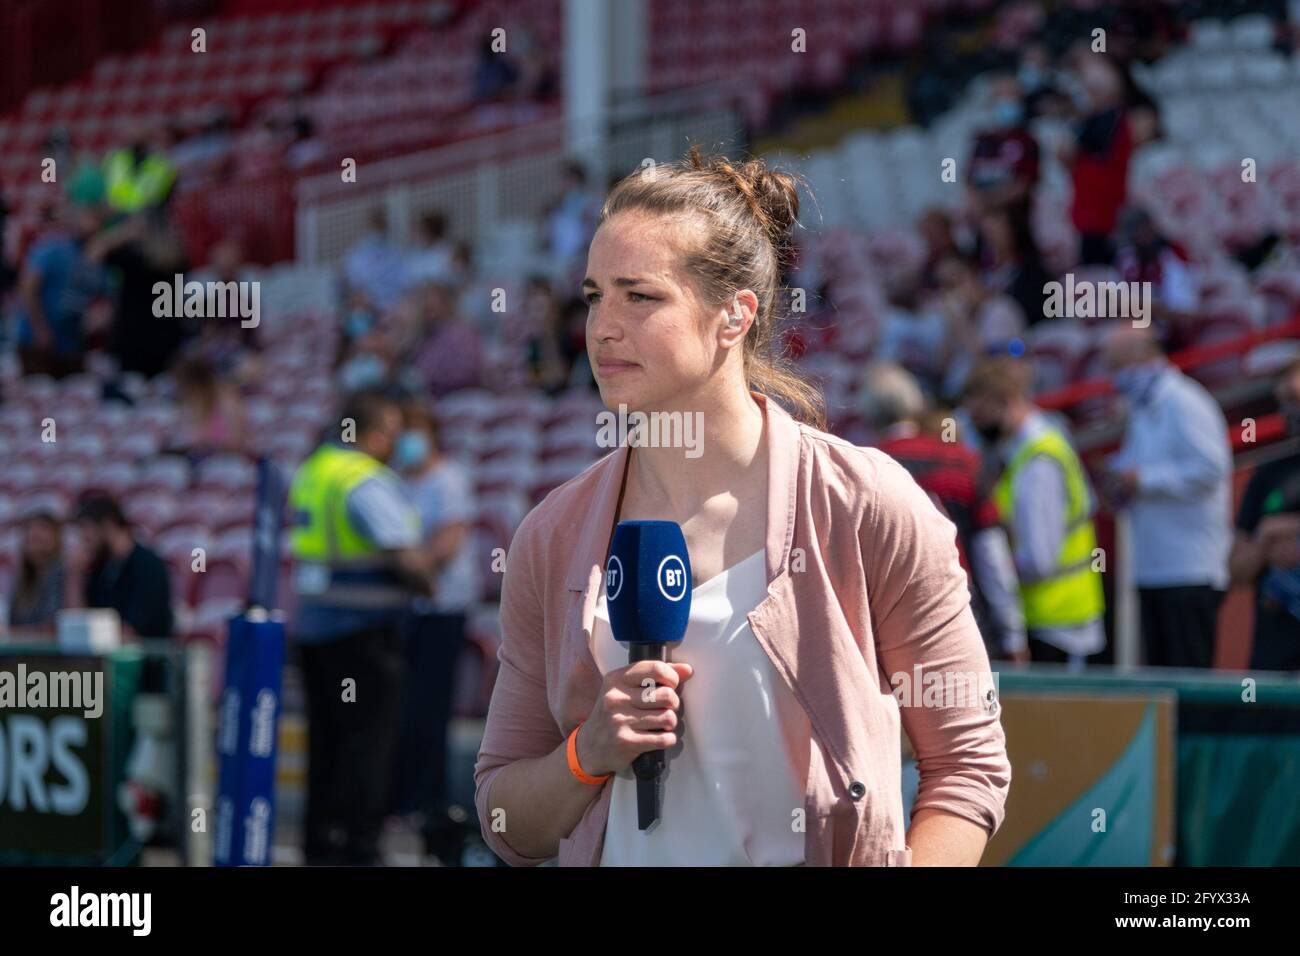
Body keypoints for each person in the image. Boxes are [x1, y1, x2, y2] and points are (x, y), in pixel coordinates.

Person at [474, 148, 1010, 867]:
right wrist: (586, 754)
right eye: (594, 294)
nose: (601, 326)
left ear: (734, 315)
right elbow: (505, 817)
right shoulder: (551, 535)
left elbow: (966, 768)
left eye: (640, 296)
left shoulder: (866, 504)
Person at [288, 388, 438, 865]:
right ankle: (359, 849)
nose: (397, 442)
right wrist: (427, 578)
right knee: (367, 746)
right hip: (362, 636)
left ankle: (321, 845)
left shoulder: (314, 470)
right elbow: (402, 552)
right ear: (372, 434)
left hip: (314, 631)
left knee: (326, 743)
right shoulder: (363, 479)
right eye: (392, 432)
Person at [859, 362, 1027, 664]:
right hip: (959, 607)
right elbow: (992, 555)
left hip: (889, 618)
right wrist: (1012, 632)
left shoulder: (860, 469)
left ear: (869, 414)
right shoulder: (963, 461)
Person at [961, 357, 1106, 667]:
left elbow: (1039, 559)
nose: (979, 428)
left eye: (981, 416)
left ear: (1006, 402)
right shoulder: (1023, 454)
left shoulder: (1039, 463)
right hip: (1048, 621)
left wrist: (991, 570)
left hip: (1059, 626)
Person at [1101, 328, 1231, 668]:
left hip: (1189, 568)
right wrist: (1120, 479)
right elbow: (1135, 466)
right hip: (1154, 566)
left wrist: (1142, 479)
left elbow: (1211, 467)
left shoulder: (1185, 401)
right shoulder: (1143, 408)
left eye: (1117, 365)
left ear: (1143, 356)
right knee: (1163, 681)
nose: (1113, 375)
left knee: (1189, 682)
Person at [387, 401, 479, 860]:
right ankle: (401, 799)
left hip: (441, 609)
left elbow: (448, 539)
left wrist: (411, 566)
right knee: (402, 708)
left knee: (428, 708)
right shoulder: (401, 482)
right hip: (408, 608)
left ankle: (426, 801)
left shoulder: (449, 479)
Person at [1229, 356, 1300, 672]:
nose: (1290, 410)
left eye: (1296, 399)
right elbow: (1236, 570)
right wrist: (1265, 540)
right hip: (1274, 656)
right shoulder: (1268, 471)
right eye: (1284, 401)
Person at [13, 199, 108, 378]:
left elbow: (101, 298)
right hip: (39, 344)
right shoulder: (51, 249)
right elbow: (27, 289)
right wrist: (40, 329)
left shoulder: (96, 255)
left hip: (71, 343)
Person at [74, 494, 174, 638]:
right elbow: (80, 623)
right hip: (107, 655)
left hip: (146, 656)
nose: (85, 542)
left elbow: (133, 631)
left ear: (108, 525)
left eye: (88, 533)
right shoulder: (102, 568)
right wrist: (74, 576)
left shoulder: (148, 565)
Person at [6, 510, 71, 635]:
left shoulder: (63, 573)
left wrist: (14, 632)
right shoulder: (23, 577)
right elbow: (13, 619)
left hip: (52, 650)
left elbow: (53, 625)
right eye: (30, 531)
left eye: (43, 529)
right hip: (22, 649)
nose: (34, 533)